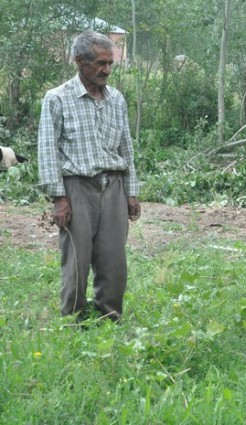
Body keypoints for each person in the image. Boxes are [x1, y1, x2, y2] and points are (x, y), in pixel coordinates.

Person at [38, 30, 141, 322]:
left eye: (110, 63)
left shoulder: (116, 99)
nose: (106, 70)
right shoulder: (57, 98)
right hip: (77, 189)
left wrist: (131, 193)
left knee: (114, 260)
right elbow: (47, 150)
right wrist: (59, 198)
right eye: (100, 63)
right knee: (76, 260)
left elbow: (126, 148)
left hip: (114, 187)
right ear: (79, 61)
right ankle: (73, 319)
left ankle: (109, 318)